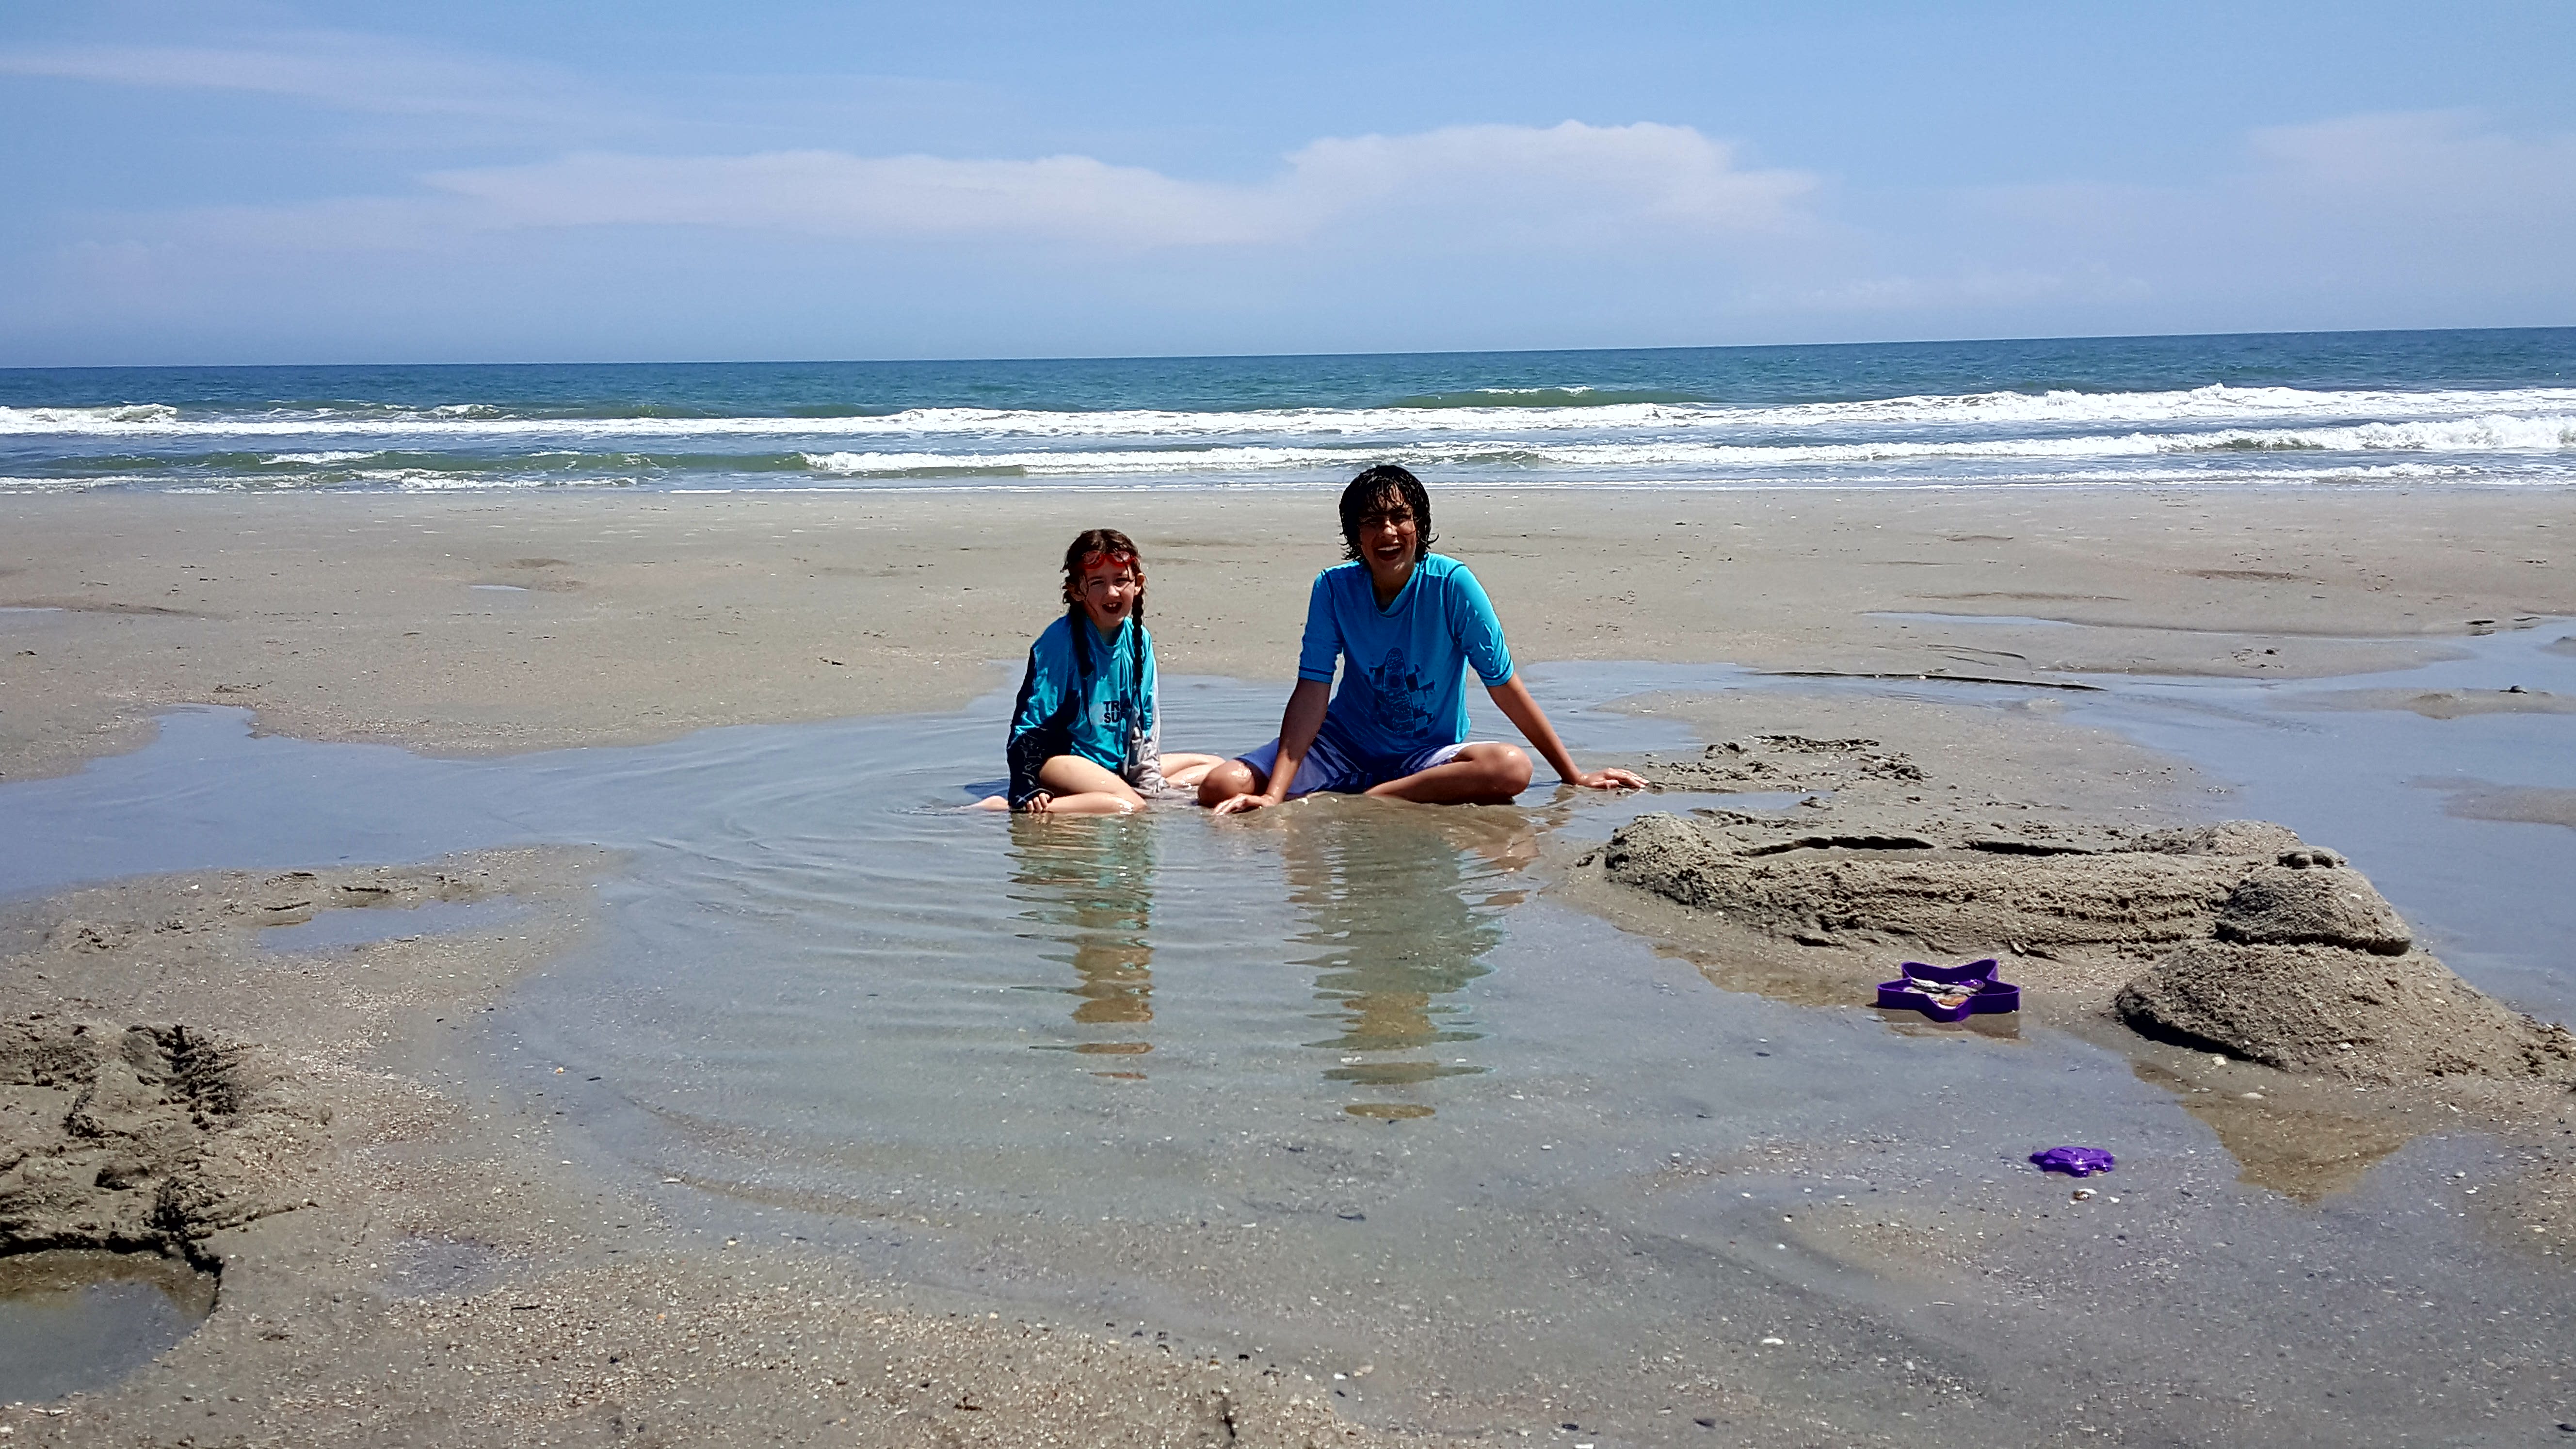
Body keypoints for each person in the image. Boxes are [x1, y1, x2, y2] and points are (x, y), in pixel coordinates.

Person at [1198, 465, 1645, 813]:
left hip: (1426, 756)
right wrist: (1273, 795)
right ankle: (1356, 786)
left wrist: (1572, 775)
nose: (1388, 533)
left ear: (1420, 524)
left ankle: (1378, 797)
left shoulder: (1452, 585)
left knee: (1512, 768)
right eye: (1372, 521)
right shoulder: (1334, 588)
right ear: (1355, 534)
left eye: (1400, 518)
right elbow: (1313, 690)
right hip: (1344, 746)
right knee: (1220, 786)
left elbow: (1504, 685)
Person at [982, 529, 1222, 814]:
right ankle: (1009, 807)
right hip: (1060, 762)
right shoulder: (1059, 642)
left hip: (1115, 764)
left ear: (1138, 584)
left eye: (1121, 580)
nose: (1112, 592)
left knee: (1215, 767)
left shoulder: (1139, 639)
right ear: (1076, 591)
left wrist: (1152, 785)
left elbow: (1145, 723)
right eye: (1098, 583)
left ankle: (1114, 790)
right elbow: (1031, 722)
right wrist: (1025, 783)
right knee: (1130, 805)